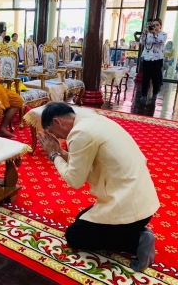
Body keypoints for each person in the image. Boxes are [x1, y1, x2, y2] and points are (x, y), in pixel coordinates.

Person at [37, 102, 160, 272]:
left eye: (52, 132)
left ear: (58, 122)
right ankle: (132, 232)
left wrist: (54, 155)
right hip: (142, 200)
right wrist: (60, 152)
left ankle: (137, 240)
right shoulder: (91, 119)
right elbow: (80, 161)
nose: (57, 137)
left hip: (131, 208)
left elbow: (75, 181)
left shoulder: (80, 133)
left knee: (74, 235)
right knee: (81, 218)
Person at [139, 18, 167, 103]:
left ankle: (154, 93)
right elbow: (141, 42)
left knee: (155, 77)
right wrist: (145, 33)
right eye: (154, 25)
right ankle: (144, 95)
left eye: (157, 25)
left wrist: (154, 33)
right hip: (147, 58)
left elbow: (161, 41)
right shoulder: (148, 34)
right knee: (145, 78)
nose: (155, 27)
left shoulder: (163, 34)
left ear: (160, 26)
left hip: (157, 59)